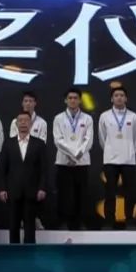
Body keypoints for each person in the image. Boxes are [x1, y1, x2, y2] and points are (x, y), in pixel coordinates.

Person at [0, 111, 50, 243]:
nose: (23, 123)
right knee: (13, 225)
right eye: (20, 121)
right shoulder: (8, 143)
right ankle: (14, 252)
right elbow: (2, 168)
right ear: (16, 124)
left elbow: (44, 169)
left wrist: (42, 188)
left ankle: (30, 252)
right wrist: (2, 188)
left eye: (26, 120)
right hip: (12, 191)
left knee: (30, 225)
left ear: (31, 124)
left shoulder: (39, 144)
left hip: (32, 191)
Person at [98, 86, 136, 230]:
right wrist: (109, 150)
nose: (119, 98)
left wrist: (130, 152)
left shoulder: (133, 116)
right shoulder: (104, 116)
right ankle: (109, 221)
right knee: (110, 192)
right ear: (112, 99)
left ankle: (130, 221)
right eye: (116, 95)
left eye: (122, 95)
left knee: (130, 192)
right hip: (110, 159)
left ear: (126, 98)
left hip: (129, 159)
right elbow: (102, 138)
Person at [53, 89, 94, 230]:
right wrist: (72, 155)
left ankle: (79, 222)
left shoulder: (87, 119)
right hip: (63, 162)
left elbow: (89, 140)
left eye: (75, 98)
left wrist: (78, 155)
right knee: (63, 194)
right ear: (65, 100)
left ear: (80, 100)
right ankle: (63, 222)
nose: (72, 100)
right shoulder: (58, 118)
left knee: (80, 194)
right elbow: (58, 140)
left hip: (81, 162)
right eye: (70, 98)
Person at [9, 91, 49, 230]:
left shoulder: (41, 123)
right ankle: (19, 220)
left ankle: (35, 218)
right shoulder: (14, 121)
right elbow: (13, 142)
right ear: (22, 103)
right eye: (25, 101)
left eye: (31, 101)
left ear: (35, 103)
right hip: (18, 164)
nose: (28, 103)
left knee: (34, 196)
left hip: (34, 163)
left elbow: (42, 143)